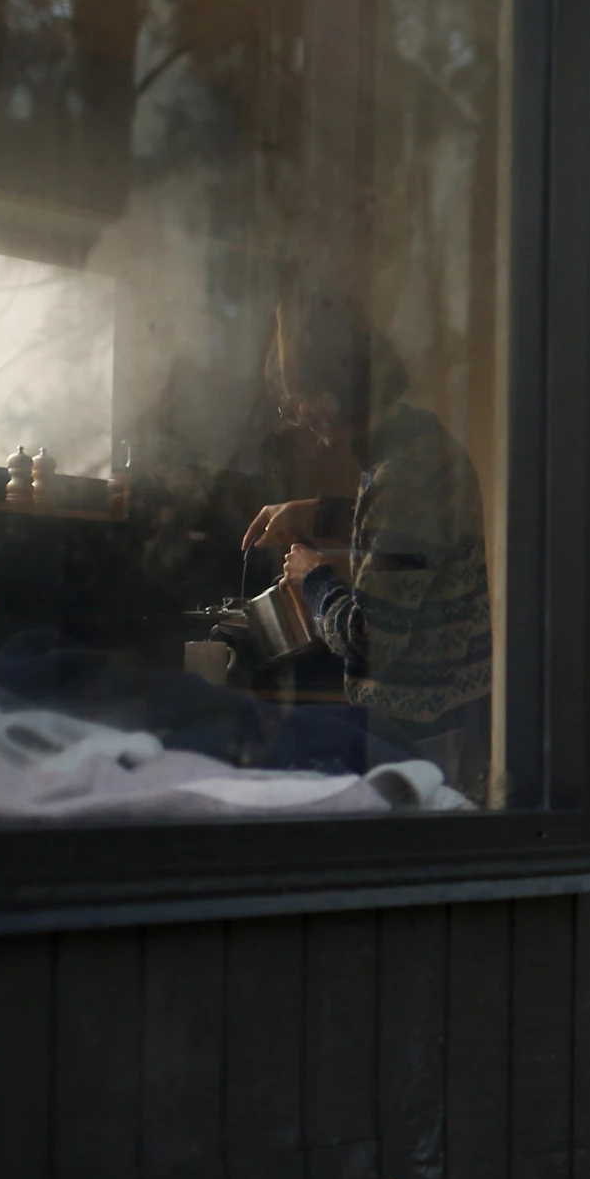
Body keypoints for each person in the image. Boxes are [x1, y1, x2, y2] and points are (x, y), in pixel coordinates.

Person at [242, 292, 493, 799]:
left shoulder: (402, 479)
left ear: (333, 390)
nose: (299, 416)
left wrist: (312, 577)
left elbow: (371, 641)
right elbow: (401, 545)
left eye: (300, 399)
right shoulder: (413, 440)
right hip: (440, 707)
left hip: (424, 724)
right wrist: (315, 511)